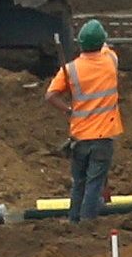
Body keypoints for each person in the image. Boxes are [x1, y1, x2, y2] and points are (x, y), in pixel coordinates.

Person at [46, 17, 124, 221]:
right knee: (94, 184)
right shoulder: (110, 61)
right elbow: (105, 48)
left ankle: (74, 220)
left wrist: (68, 110)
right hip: (103, 137)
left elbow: (50, 95)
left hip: (79, 137)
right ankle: (87, 223)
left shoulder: (71, 69)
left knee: (79, 183)